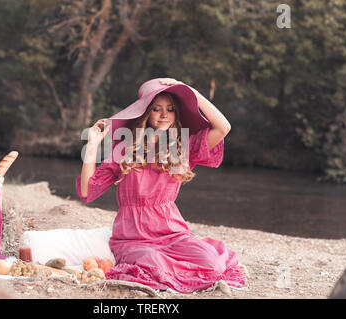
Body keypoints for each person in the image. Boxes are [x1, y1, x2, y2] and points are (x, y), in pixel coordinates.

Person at [76, 78, 248, 293]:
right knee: (154, 263)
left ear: (177, 114)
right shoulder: (125, 149)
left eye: (170, 109)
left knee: (212, 264)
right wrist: (92, 145)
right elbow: (86, 191)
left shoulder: (182, 147)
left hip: (173, 232)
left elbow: (223, 127)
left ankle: (182, 271)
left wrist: (191, 92)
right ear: (146, 114)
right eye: (157, 109)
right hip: (133, 236)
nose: (164, 114)